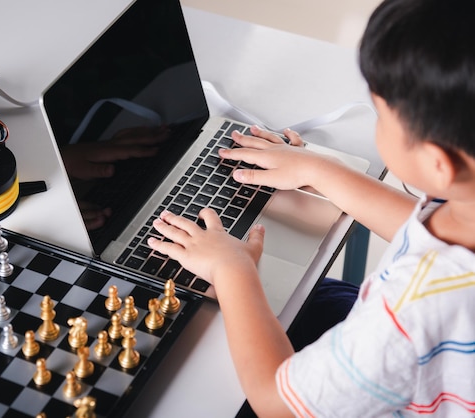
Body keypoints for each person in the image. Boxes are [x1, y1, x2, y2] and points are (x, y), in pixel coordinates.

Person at [147, 0, 475, 416]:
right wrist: (319, 170)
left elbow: (276, 403)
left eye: (383, 115)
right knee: (308, 296)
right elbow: (426, 226)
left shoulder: (413, 307)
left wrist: (233, 272)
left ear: (437, 164)